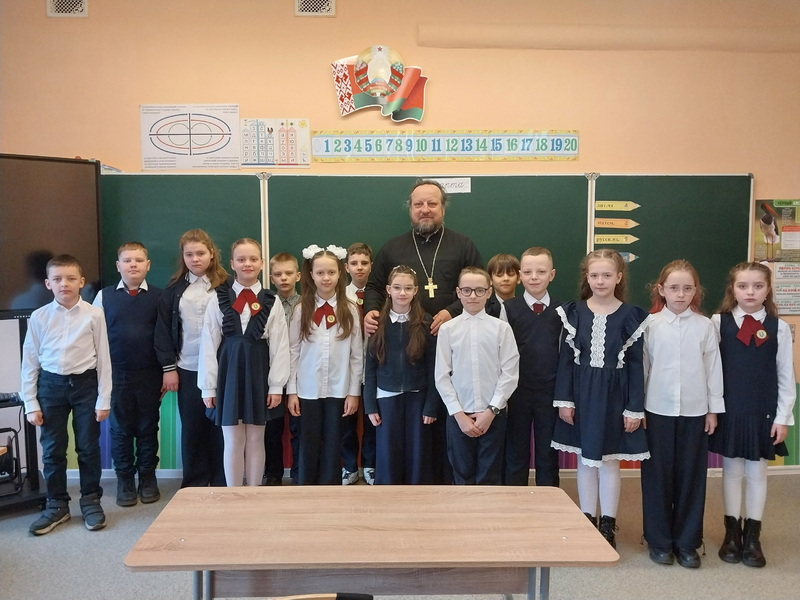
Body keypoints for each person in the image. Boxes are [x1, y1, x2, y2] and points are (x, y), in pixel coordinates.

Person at [363, 179, 482, 483]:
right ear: (410, 209)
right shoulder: (393, 247)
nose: (425, 209)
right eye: (419, 204)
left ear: (443, 208)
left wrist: (451, 310)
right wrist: (371, 312)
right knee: (411, 430)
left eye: (432, 203)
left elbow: (477, 285)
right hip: (404, 346)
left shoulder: (463, 245)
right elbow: (374, 287)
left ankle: (444, 481)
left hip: (454, 340)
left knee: (441, 416)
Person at [551, 249, 651, 548]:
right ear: (587, 277)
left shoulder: (631, 316)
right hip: (582, 394)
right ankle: (587, 520)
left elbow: (636, 366)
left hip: (615, 397)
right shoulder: (574, 313)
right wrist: (565, 401)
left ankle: (608, 523)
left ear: (619, 277)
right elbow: (565, 361)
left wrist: (634, 408)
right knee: (585, 461)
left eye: (607, 275)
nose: (600, 281)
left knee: (608, 461)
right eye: (594, 275)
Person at [709, 261, 795, 568]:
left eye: (758, 286)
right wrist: (712, 408)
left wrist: (783, 417)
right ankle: (732, 533)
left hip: (763, 413)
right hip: (730, 410)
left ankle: (753, 536)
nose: (750, 292)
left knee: (757, 473)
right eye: (743, 286)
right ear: (732, 290)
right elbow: (710, 370)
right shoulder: (718, 323)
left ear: (768, 290)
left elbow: (785, 375)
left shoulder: (778, 327)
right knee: (732, 471)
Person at [641, 260, 724, 568]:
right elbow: (643, 369)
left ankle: (688, 542)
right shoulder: (650, 325)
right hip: (657, 410)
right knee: (657, 477)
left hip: (695, 411)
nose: (680, 294)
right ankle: (659, 541)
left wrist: (713, 409)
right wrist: (639, 408)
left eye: (687, 288)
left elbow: (713, 369)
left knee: (691, 477)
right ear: (661, 290)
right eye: (673, 288)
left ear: (695, 291)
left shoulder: (705, 326)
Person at [21, 254, 112, 534]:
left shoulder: (94, 314)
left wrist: (104, 399)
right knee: (53, 450)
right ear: (48, 283)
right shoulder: (39, 317)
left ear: (81, 282)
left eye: (71, 278)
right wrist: (31, 402)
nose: (65, 284)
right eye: (58, 279)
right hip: (50, 387)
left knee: (88, 447)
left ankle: (90, 500)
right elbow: (30, 361)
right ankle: (57, 504)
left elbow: (104, 359)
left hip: (85, 386)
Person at [198, 238, 290, 487]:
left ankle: (253, 494)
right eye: (241, 259)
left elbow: (280, 345)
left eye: (253, 259)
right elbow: (209, 343)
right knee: (233, 439)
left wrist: (276, 386)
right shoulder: (218, 298)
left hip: (259, 373)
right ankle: (233, 495)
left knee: (256, 438)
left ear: (261, 263)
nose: (247, 264)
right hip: (229, 374)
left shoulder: (272, 301)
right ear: (232, 264)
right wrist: (208, 387)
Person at [93, 241, 165, 506]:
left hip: (150, 374)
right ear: (118, 266)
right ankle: (125, 479)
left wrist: (166, 371)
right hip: (117, 375)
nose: (133, 265)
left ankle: (147, 477)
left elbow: (166, 337)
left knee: (148, 427)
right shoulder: (104, 297)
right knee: (120, 429)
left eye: (138, 260)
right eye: (127, 260)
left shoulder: (160, 297)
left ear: (148, 265)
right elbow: (95, 337)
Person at [155, 229, 228, 488]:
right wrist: (169, 368)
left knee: (220, 427)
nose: (195, 259)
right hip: (187, 368)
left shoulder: (227, 286)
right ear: (183, 257)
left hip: (221, 370)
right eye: (189, 254)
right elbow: (163, 330)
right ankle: (195, 483)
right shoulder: (174, 289)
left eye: (200, 253)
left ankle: (221, 481)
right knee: (193, 427)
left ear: (212, 254)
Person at [435, 267, 519, 484]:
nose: (473, 296)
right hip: (459, 415)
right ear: (458, 292)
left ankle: (487, 509)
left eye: (479, 290)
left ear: (489, 292)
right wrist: (459, 415)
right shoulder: (448, 329)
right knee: (462, 474)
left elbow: (510, 374)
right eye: (467, 290)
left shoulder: (501, 329)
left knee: (489, 475)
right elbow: (442, 376)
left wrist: (491, 411)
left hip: (493, 415)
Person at [287, 244, 363, 485]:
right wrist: (292, 391)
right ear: (311, 274)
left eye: (331, 272)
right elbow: (293, 352)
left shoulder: (350, 309)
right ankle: (306, 489)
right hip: (307, 389)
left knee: (333, 443)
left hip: (339, 390)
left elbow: (356, 355)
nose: (326, 278)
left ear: (340, 273)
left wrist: (353, 392)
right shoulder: (302, 309)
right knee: (308, 443)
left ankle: (330, 491)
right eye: (320, 273)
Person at [364, 265, 438, 484]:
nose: (402, 293)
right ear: (388, 289)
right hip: (386, 398)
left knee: (417, 454)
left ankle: (417, 498)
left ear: (416, 290)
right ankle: (389, 498)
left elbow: (434, 367)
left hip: (418, 397)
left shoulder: (425, 322)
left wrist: (431, 405)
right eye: (397, 287)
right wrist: (370, 406)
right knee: (388, 455)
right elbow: (370, 367)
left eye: (407, 288)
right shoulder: (378, 323)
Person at [500, 247, 562, 487]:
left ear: (552, 275)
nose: (534, 277)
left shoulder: (563, 311)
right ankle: (514, 502)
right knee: (516, 451)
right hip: (517, 393)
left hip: (550, 392)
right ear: (520, 276)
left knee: (548, 453)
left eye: (541, 272)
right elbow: (502, 354)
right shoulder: (509, 308)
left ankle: (549, 502)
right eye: (527, 272)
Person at [262, 251, 302, 485]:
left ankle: (299, 473)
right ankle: (273, 473)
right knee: (272, 428)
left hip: (299, 375)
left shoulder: (306, 304)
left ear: (298, 275)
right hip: (273, 374)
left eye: (288, 273)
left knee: (299, 427)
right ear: (271, 277)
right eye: (278, 274)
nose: (284, 278)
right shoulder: (266, 304)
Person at [341, 242, 376, 485]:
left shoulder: (381, 296)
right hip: (348, 367)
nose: (359, 267)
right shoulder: (341, 296)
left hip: (374, 366)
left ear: (371, 266)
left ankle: (371, 465)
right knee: (347, 419)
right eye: (354, 263)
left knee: (373, 418)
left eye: (364, 263)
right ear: (346, 267)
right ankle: (349, 466)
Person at [484, 253, 520, 318]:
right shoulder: (483, 307)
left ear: (518, 278)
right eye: (499, 275)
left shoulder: (526, 306)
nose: (506, 279)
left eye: (511, 274)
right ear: (490, 279)